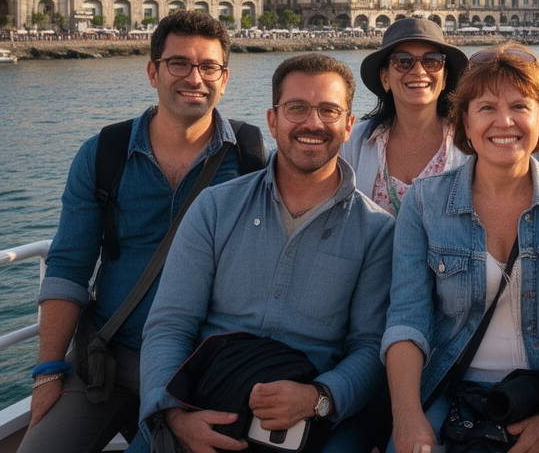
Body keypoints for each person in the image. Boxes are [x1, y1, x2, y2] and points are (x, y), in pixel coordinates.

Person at [21, 10, 265, 453]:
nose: (195, 77)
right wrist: (49, 371)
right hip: (111, 358)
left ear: (224, 78)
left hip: (197, 368)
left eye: (208, 66)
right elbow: (69, 266)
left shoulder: (249, 159)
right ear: (153, 72)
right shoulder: (104, 153)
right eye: (179, 64)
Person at [138, 54, 395, 453]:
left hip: (309, 421)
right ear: (273, 121)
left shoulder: (376, 231)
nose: (312, 123)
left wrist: (318, 398)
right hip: (203, 401)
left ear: (348, 126)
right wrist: (175, 417)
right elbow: (170, 324)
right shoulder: (215, 208)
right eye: (297, 108)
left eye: (328, 111)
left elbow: (369, 347)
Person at [383, 43, 539, 453]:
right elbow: (407, 319)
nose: (505, 121)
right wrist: (407, 416)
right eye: (486, 108)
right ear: (464, 123)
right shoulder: (425, 203)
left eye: (520, 106)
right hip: (447, 386)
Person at [342, 17, 470, 214]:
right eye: (403, 61)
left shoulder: (468, 143)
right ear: (385, 78)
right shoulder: (354, 143)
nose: (419, 71)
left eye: (432, 61)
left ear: (444, 78)